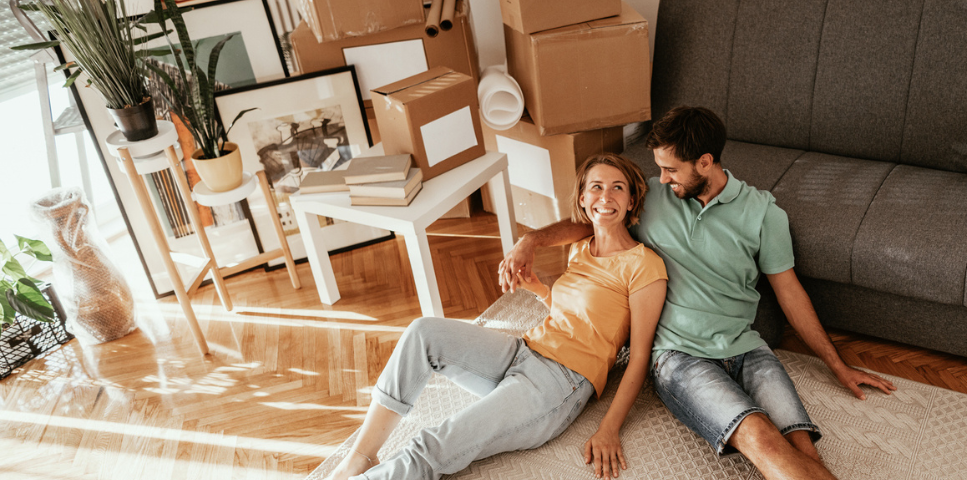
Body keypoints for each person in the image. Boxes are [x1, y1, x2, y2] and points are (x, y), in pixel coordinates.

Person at [498, 106, 896, 480]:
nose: (663, 178)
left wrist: (836, 364)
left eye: (671, 169)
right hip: (680, 357)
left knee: (804, 449)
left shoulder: (763, 214)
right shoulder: (653, 196)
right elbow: (590, 223)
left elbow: (790, 293)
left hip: (747, 348)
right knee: (759, 438)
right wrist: (531, 240)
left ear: (705, 162)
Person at [330, 154, 667, 480]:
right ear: (582, 198)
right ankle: (361, 456)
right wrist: (538, 289)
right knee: (423, 333)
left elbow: (638, 357)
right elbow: (577, 316)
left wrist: (608, 429)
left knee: (435, 443)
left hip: (559, 383)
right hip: (523, 350)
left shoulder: (644, 265)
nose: (605, 196)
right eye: (596, 187)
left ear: (632, 198)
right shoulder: (580, 246)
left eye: (617, 187)